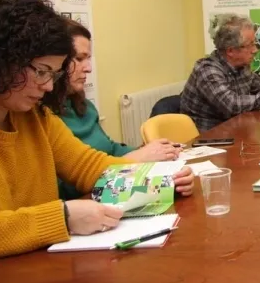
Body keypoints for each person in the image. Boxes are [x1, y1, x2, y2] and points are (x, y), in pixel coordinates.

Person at [0, 0, 195, 258]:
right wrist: (63, 217)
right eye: (41, 71)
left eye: (54, 74)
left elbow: (88, 167)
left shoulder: (36, 117)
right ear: (4, 61)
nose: (49, 86)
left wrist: (163, 179)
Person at [55, 19, 183, 200]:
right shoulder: (43, 119)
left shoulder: (84, 106)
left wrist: (149, 152)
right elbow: (65, 186)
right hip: (89, 200)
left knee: (178, 186)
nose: (88, 68)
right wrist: (138, 158)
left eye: (88, 58)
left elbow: (110, 149)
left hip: (108, 190)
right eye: (79, 59)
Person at [181, 14, 260, 131]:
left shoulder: (242, 66)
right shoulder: (207, 70)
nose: (255, 50)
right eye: (250, 45)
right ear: (231, 51)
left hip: (236, 130)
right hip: (209, 138)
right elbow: (232, 105)